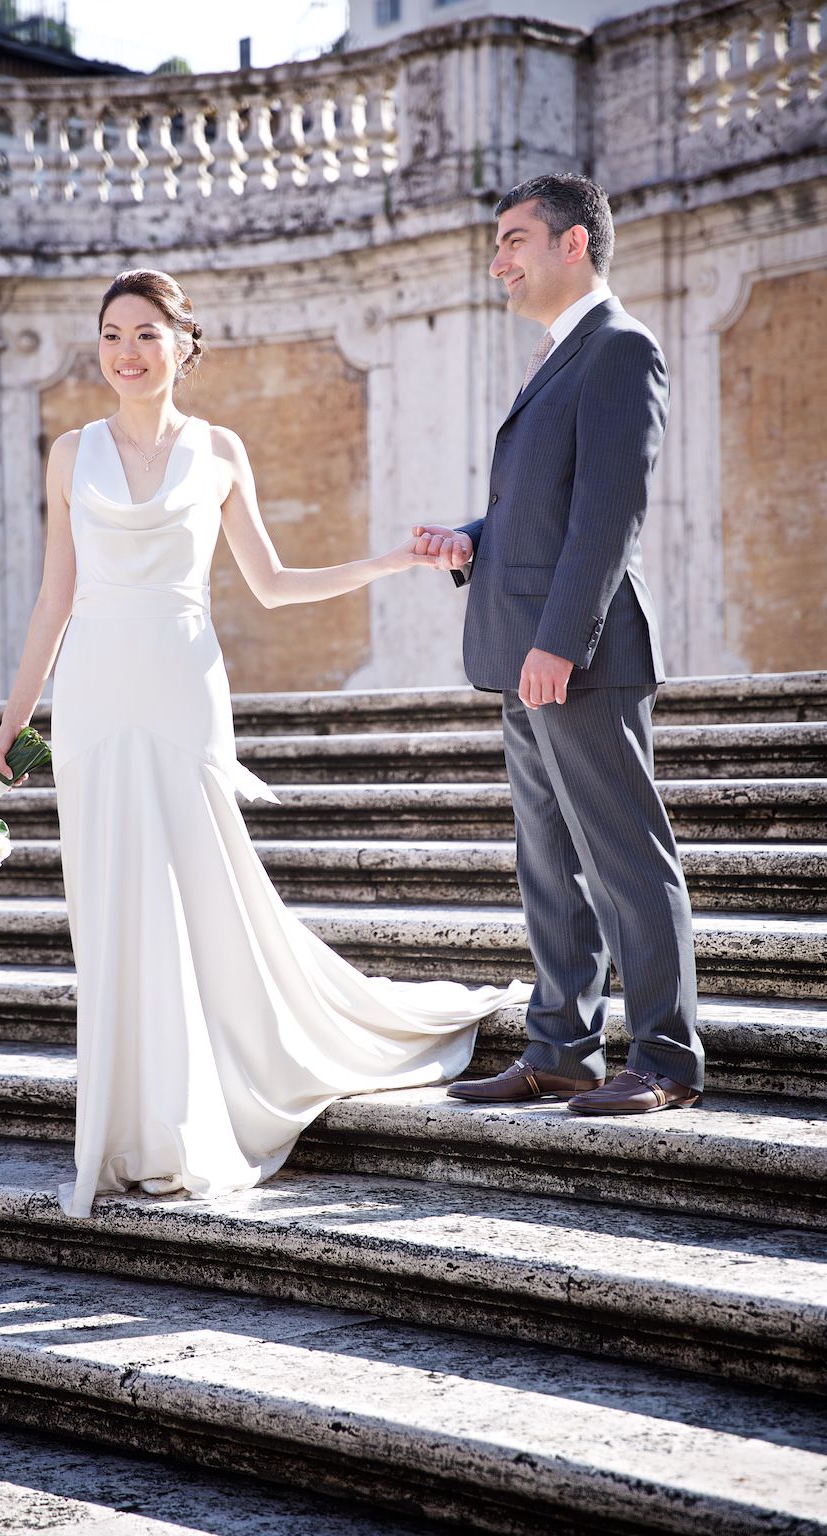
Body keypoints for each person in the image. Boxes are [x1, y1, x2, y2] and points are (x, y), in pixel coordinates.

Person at [0, 267, 528, 1218]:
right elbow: (53, 596)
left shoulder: (221, 450)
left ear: (183, 345)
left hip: (184, 692)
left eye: (147, 334)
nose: (126, 352)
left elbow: (275, 585)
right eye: (112, 334)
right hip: (94, 697)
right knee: (113, 910)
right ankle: (127, 1135)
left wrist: (396, 559)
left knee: (197, 901)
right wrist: (16, 714)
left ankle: (190, 1125)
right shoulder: (71, 453)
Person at [414, 173, 704, 1116]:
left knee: (625, 858)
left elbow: (610, 513)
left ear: (573, 243)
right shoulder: (555, 356)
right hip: (521, 652)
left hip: (581, 654)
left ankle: (663, 1058)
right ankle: (561, 1049)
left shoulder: (621, 350)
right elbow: (542, 512)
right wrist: (472, 540)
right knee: (548, 864)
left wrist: (562, 642)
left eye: (513, 240)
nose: (498, 261)